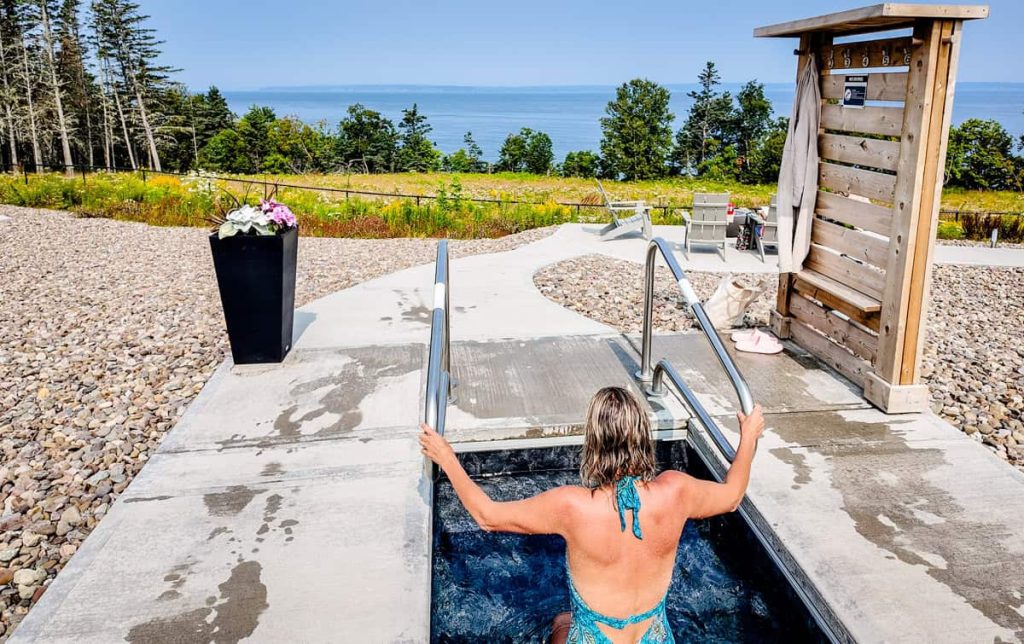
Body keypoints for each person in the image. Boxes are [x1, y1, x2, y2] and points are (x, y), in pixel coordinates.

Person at [419, 386, 765, 644]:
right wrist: (748, 437)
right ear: (642, 436)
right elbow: (733, 496)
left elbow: (487, 516)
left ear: (594, 442)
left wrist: (448, 459)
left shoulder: (572, 506)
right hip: (654, 637)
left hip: (593, 638)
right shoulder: (676, 492)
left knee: (560, 624)